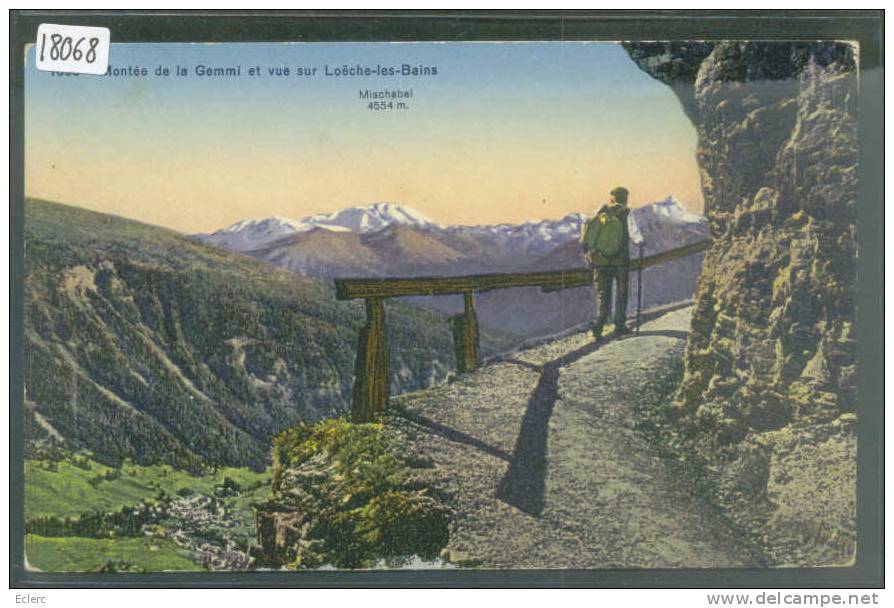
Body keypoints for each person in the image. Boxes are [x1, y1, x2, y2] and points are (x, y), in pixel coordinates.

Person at [580, 186, 632, 341]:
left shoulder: (599, 212)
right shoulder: (626, 213)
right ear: (625, 198)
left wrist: (589, 255)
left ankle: (599, 326)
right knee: (621, 293)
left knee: (603, 295)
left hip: (600, 262)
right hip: (620, 261)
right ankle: (620, 326)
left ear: (612, 197)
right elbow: (636, 235)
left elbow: (586, 238)